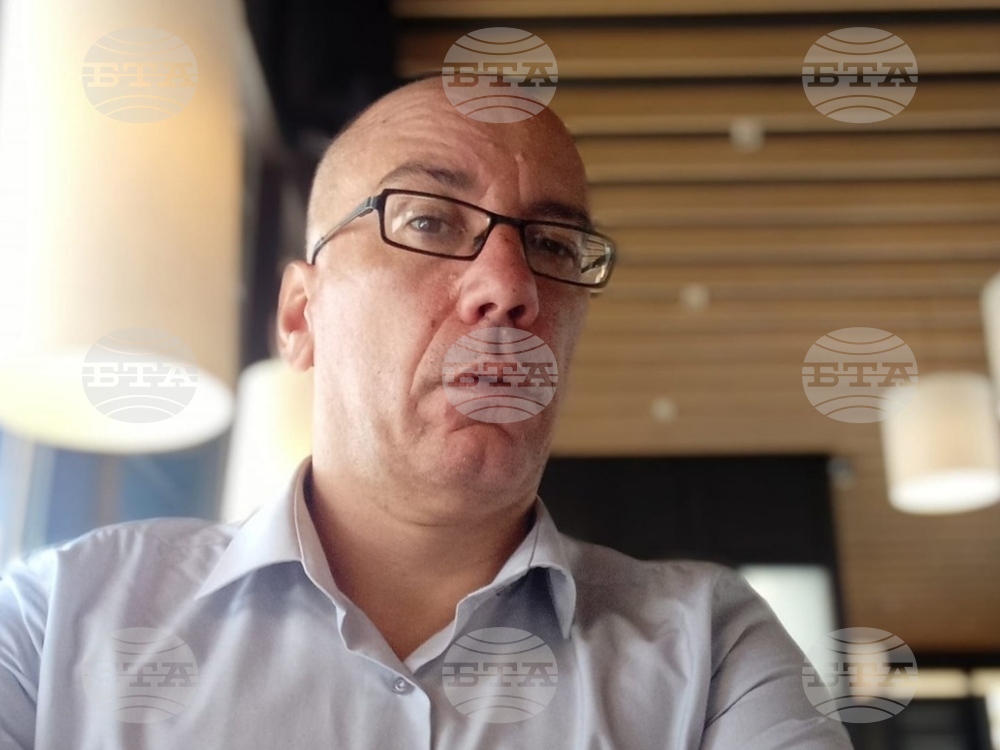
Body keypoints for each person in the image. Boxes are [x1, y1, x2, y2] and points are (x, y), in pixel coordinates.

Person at [0, 77, 853, 748]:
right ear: (300, 317)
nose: (511, 287)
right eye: (429, 221)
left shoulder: (710, 649)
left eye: (552, 245)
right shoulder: (57, 621)